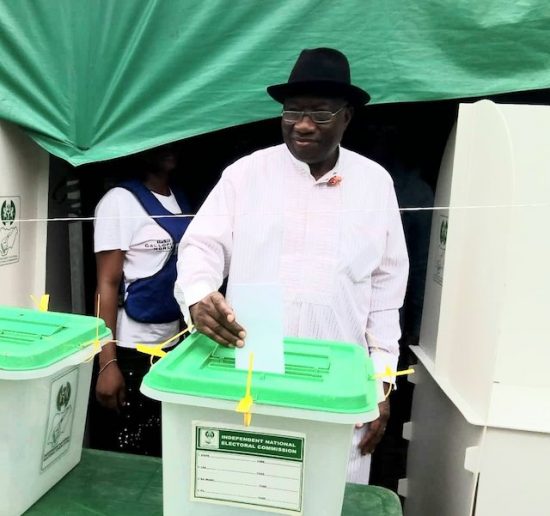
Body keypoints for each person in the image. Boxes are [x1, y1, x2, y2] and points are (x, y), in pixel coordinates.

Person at [175, 48, 409, 483]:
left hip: (339, 385)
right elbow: (200, 248)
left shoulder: (374, 183)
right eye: (293, 112)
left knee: (329, 494)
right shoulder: (246, 174)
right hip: (252, 374)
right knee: (246, 491)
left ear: (347, 117)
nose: (302, 124)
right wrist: (198, 295)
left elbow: (385, 292)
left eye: (319, 114)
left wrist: (381, 385)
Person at [89, 144, 191, 456]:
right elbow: (106, 284)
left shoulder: (179, 197)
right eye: (158, 142)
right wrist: (106, 362)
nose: (168, 148)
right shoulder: (119, 201)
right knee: (129, 449)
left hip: (173, 344)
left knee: (163, 447)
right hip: (130, 349)